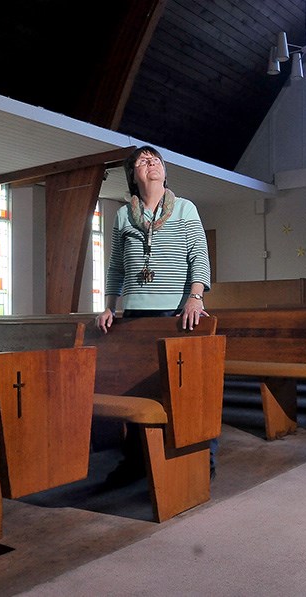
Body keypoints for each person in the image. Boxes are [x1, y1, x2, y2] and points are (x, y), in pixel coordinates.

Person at [95, 145, 214, 488]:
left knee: (184, 390)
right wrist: (109, 305)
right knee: (135, 390)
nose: (152, 163)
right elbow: (116, 265)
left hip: (176, 313)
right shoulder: (123, 216)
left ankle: (199, 455)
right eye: (144, 161)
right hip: (133, 314)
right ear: (132, 175)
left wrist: (195, 297)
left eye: (156, 159)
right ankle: (135, 460)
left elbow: (199, 256)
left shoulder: (184, 208)